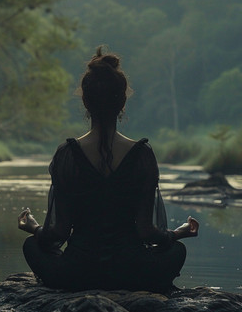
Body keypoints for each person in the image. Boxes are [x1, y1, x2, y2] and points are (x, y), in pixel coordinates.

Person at [18, 47, 198, 293]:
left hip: (76, 274)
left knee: (31, 245)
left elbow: (58, 232)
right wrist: (179, 233)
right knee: (177, 251)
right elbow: (147, 232)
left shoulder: (66, 154)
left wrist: (33, 227)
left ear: (85, 101)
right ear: (122, 101)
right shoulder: (142, 155)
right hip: (133, 273)